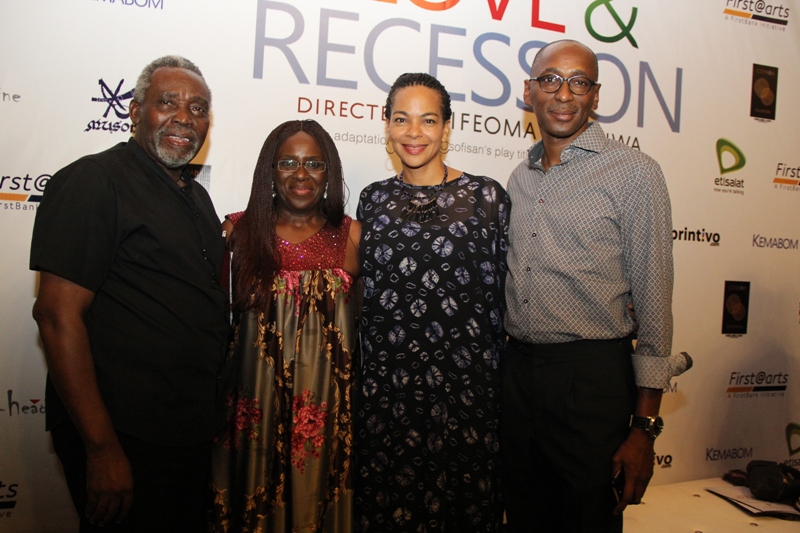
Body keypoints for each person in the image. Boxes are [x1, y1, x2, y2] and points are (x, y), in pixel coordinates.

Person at [30, 56, 228, 532]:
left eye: (198, 108)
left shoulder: (196, 196)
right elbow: (57, 317)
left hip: (183, 431)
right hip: (123, 434)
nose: (185, 117)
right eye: (168, 103)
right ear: (136, 112)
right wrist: (101, 449)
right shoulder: (93, 181)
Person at [501, 39, 674, 532]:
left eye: (578, 82)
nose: (563, 94)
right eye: (551, 80)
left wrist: (644, 429)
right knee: (523, 515)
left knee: (588, 520)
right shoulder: (518, 178)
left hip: (592, 380)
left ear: (595, 96)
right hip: (518, 377)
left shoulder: (635, 173)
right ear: (529, 92)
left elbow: (654, 306)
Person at [355, 73, 509, 532]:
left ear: (446, 127)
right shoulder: (373, 199)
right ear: (387, 125)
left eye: (428, 120)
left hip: (466, 389)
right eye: (401, 119)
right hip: (390, 388)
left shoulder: (486, 197)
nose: (414, 132)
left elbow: (510, 290)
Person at [209, 119, 361, 532]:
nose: (301, 174)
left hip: (325, 420)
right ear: (269, 171)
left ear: (329, 173)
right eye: (288, 162)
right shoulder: (236, 233)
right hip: (251, 417)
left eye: (314, 163)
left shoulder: (351, 238)